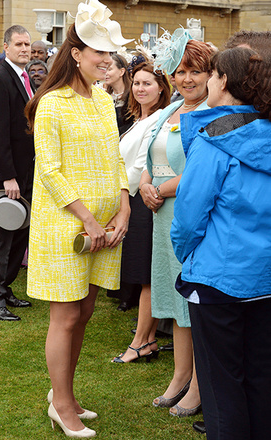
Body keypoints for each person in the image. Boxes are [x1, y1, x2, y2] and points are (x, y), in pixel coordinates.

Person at [25, 0, 132, 437]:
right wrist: (87, 218)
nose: (107, 63)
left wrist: (124, 204)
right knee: (65, 316)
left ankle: (62, 392)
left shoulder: (104, 100)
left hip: (105, 224)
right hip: (66, 224)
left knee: (85, 310)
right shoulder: (53, 102)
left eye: (110, 57)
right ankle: (62, 405)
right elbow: (48, 169)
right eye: (99, 55)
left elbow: (115, 159)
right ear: (76, 54)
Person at [171, 46, 271, 440]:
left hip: (219, 281)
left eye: (211, 75)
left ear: (223, 82)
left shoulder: (213, 142)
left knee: (221, 387)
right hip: (260, 277)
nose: (207, 82)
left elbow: (189, 217)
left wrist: (189, 255)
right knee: (260, 380)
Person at [138, 29, 213, 417]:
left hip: (190, 214)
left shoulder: (212, 113)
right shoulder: (171, 109)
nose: (186, 79)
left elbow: (205, 171)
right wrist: (147, 184)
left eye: (195, 72)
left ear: (210, 74)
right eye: (180, 70)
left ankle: (200, 385)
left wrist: (161, 189)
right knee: (176, 295)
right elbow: (152, 155)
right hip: (161, 213)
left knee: (195, 298)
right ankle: (180, 376)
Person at [111, 61, 171, 362]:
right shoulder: (140, 117)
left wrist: (120, 200)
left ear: (161, 87)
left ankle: (141, 341)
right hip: (131, 197)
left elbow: (139, 167)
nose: (140, 88)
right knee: (142, 271)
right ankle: (145, 339)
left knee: (148, 274)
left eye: (147, 83)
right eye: (137, 83)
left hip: (139, 199)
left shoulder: (160, 117)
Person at [0, 25, 35, 321]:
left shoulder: (27, 79)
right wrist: (7, 176)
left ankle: (5, 289)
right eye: (19, 44)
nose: (25, 48)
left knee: (18, 236)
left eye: (27, 44)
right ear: (8, 48)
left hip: (26, 173)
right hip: (5, 176)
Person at [104, 53, 133, 135]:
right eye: (104, 69)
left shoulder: (133, 95)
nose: (106, 73)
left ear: (121, 71)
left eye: (109, 69)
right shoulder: (104, 97)